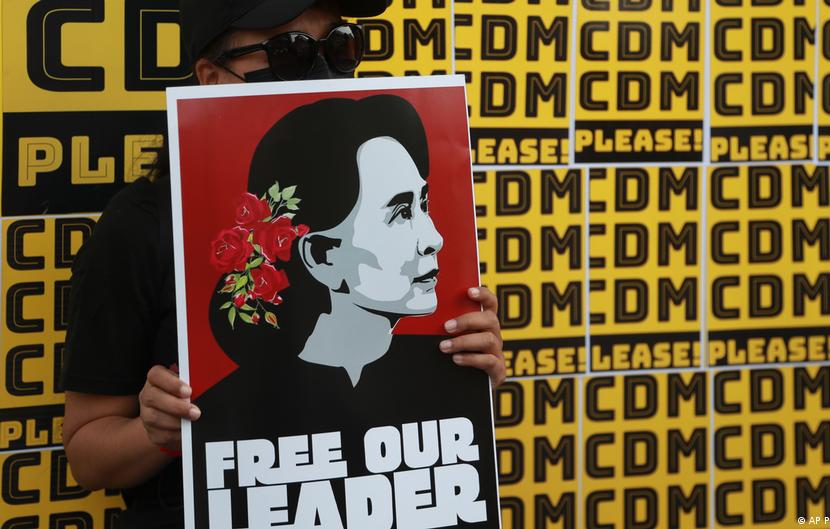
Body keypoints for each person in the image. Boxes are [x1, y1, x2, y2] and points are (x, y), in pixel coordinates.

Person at [61, 1, 506, 528]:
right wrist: (156, 432)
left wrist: (470, 381)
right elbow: (88, 454)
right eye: (288, 51)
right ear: (211, 77)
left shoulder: (412, 303)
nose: (322, 69)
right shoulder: (142, 225)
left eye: (339, 45)